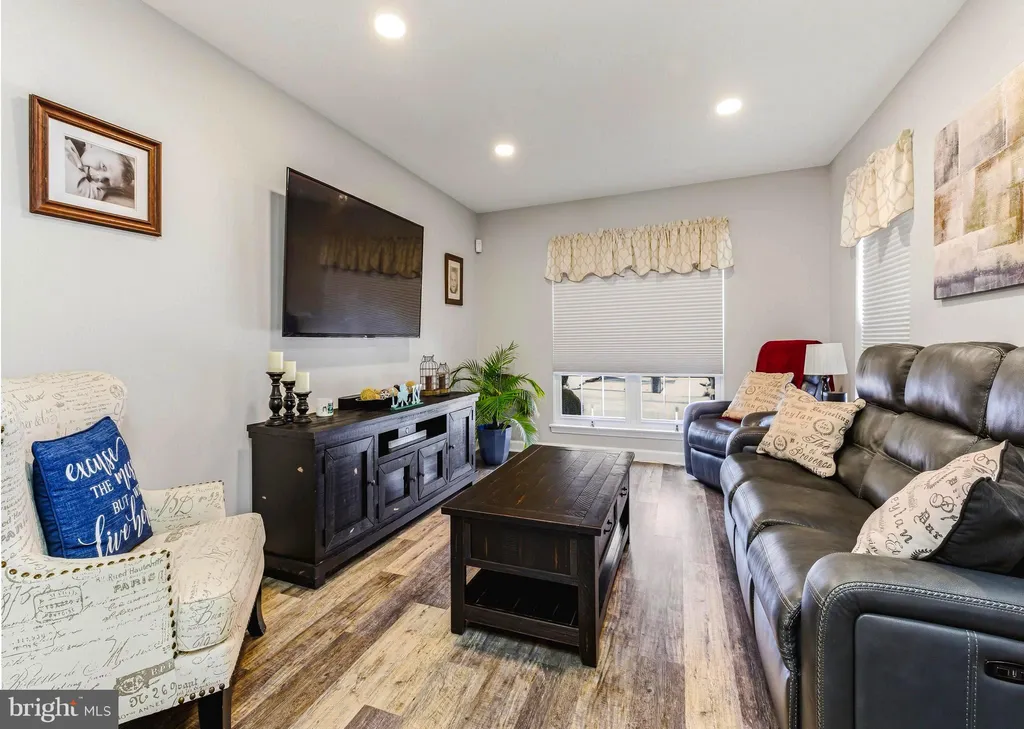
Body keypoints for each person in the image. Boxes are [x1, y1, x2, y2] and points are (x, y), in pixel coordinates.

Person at [64, 138, 135, 208]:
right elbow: (79, 191)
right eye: (103, 166)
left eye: (106, 180)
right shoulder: (65, 150)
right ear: (93, 145)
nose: (100, 178)